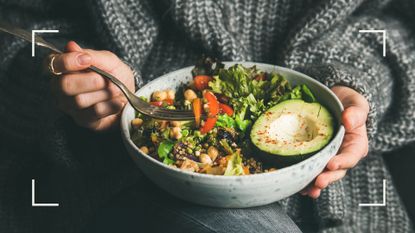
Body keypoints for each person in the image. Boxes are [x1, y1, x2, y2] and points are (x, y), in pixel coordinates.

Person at [0, 0, 414, 232]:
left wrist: (352, 86)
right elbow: (22, 32)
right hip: (119, 176)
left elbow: (389, 29)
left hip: (340, 194)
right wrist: (71, 85)